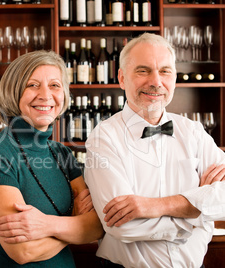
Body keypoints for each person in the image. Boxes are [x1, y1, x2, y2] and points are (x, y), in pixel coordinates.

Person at [84, 32, 225, 268]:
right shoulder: (104, 137)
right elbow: (121, 226)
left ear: (175, 79)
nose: (156, 82)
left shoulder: (193, 131)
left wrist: (155, 206)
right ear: (121, 78)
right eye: (143, 70)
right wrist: (199, 214)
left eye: (165, 71)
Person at [0, 50, 103, 267]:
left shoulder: (62, 153)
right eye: (33, 85)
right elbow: (23, 251)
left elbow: (96, 227)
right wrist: (73, 223)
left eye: (55, 85)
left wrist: (45, 225)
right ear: (14, 93)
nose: (45, 95)